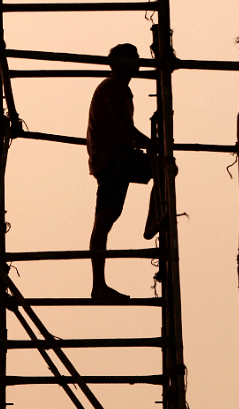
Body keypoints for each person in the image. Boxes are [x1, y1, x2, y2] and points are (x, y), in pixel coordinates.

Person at [86, 43, 155, 300]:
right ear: (120, 62)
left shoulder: (118, 88)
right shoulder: (113, 87)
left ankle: (99, 285)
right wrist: (152, 144)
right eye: (133, 57)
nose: (138, 61)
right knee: (164, 167)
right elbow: (124, 128)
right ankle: (154, 220)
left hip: (112, 159)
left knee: (106, 218)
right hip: (114, 159)